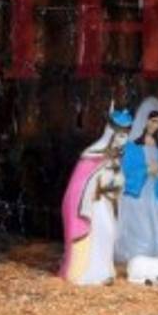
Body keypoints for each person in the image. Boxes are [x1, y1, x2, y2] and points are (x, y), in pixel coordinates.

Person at [59, 108, 132, 285]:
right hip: (94, 207)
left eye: (126, 135)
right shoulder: (92, 156)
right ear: (111, 133)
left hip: (108, 203)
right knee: (98, 234)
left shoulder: (117, 156)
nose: (124, 140)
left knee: (109, 235)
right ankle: (89, 272)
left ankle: (105, 270)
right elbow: (79, 186)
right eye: (120, 135)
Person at [114, 97, 158, 264]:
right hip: (137, 196)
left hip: (154, 194)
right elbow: (126, 173)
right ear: (144, 120)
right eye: (153, 121)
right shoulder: (131, 146)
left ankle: (155, 259)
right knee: (143, 236)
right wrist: (146, 170)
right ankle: (135, 259)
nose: (155, 126)